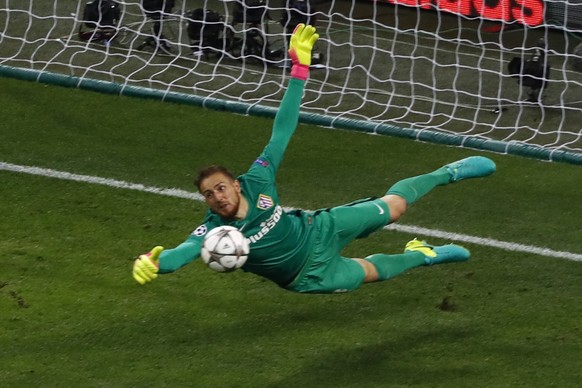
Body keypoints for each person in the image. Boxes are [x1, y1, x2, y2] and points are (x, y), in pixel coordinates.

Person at [132, 24, 496, 293]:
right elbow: (182, 253)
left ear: (236, 184)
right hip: (307, 275)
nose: (217, 197)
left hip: (319, 229)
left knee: (395, 207)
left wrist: (299, 72)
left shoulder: (259, 179)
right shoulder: (214, 233)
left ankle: (449, 172)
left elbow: (282, 131)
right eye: (209, 195)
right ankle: (423, 254)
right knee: (372, 272)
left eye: (220, 188)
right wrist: (154, 263)